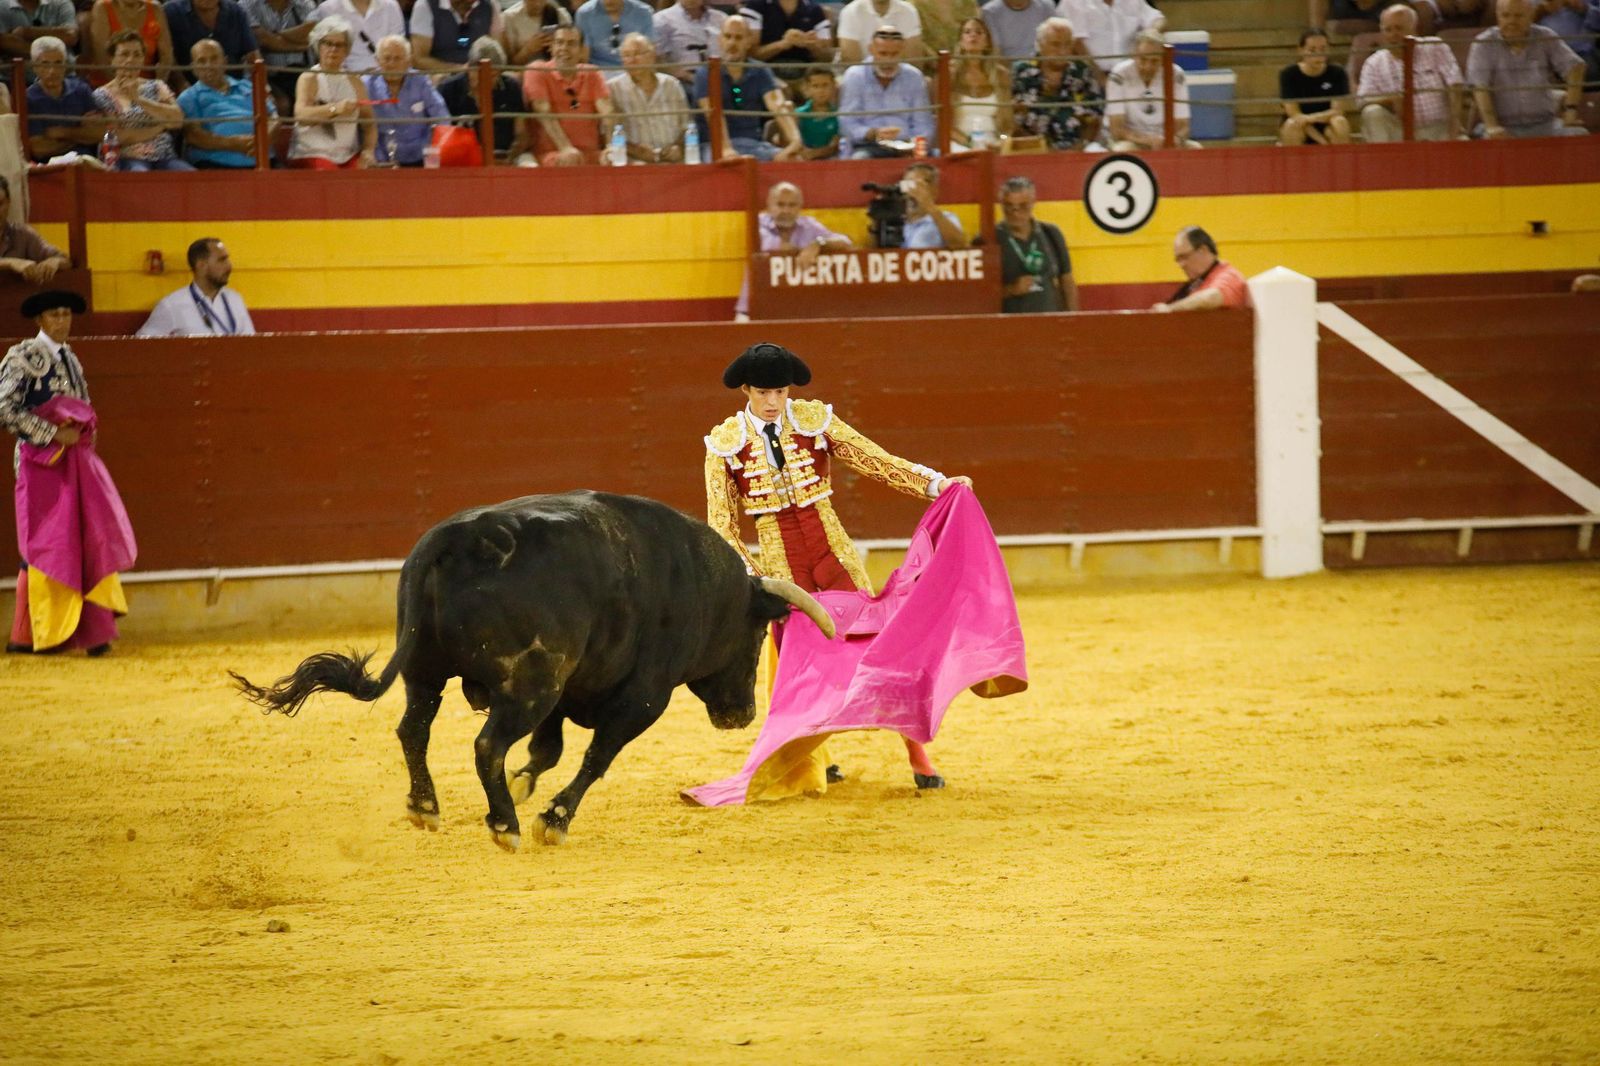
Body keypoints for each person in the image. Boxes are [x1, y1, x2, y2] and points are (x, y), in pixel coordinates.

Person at [703, 342, 973, 789]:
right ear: (746, 390)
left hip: (833, 553)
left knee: (877, 650)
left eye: (781, 392)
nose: (773, 402)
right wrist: (752, 577)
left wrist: (937, 484)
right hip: (782, 567)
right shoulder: (725, 445)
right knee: (801, 668)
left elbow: (875, 460)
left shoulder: (814, 421)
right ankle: (816, 759)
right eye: (764, 393)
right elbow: (722, 523)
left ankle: (918, 756)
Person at [3, 290, 136, 658]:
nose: (62, 320)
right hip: (39, 465)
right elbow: (3, 408)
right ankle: (31, 633)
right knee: (45, 542)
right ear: (39, 320)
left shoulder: (71, 359)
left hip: (74, 464)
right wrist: (52, 433)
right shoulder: (23, 356)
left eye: (66, 313)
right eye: (54, 314)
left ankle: (91, 631)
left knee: (82, 537)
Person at [1468, 0, 1587, 138]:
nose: (1511, 21)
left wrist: (1570, 111)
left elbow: (1576, 67)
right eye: (1505, 15)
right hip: (1503, 125)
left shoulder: (1545, 36)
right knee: (1489, 140)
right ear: (1497, 16)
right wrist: (1492, 126)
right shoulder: (1483, 44)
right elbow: (1480, 87)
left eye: (1518, 16)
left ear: (1531, 16)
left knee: (1579, 135)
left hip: (1545, 123)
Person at [734, 180, 852, 319]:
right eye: (780, 204)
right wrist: (803, 251)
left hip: (796, 313)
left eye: (792, 205)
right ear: (769, 205)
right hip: (753, 312)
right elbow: (775, 248)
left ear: (800, 207)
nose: (786, 210)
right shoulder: (758, 224)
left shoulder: (809, 225)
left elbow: (845, 242)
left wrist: (819, 244)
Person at [693, 15, 796, 161]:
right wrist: (726, 148)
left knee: (793, 159)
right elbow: (713, 114)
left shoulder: (760, 70)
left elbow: (777, 105)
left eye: (738, 38)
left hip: (754, 145)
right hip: (713, 146)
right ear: (719, 40)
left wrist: (795, 142)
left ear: (748, 42)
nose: (732, 43)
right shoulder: (705, 73)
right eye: (727, 36)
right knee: (727, 167)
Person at [1358, 3, 1465, 142]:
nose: (1393, 35)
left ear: (1414, 29)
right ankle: (1385, 162)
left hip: (1439, 128)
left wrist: (1455, 122)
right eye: (1388, 30)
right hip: (1399, 132)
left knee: (1464, 142)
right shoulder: (1374, 62)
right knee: (1372, 112)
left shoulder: (1435, 47)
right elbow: (1362, 100)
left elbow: (1455, 84)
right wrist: (1389, 99)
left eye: (1399, 28)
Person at [93, 29, 195, 171]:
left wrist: (138, 99)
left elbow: (177, 120)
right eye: (124, 54)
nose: (130, 60)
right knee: (140, 174)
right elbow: (119, 137)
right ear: (112, 59)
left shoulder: (157, 86)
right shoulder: (101, 94)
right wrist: (161, 126)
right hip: (127, 158)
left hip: (165, 156)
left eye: (137, 54)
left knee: (190, 176)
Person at [288, 16, 377, 167]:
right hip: (311, 153)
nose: (333, 49)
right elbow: (301, 115)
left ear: (347, 50)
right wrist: (335, 108)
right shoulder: (309, 78)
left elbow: (369, 124)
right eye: (328, 43)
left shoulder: (355, 81)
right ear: (318, 45)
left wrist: (368, 151)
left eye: (339, 45)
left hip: (348, 154)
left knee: (369, 174)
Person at [179, 38, 279, 167]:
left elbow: (274, 119)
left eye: (214, 58)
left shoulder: (249, 86)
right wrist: (236, 143)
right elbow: (194, 136)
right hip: (215, 165)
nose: (209, 65)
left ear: (225, 61)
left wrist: (262, 140)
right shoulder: (189, 97)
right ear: (193, 68)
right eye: (201, 61)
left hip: (265, 161)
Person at [838, 24, 934, 157]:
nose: (888, 60)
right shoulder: (855, 75)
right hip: (868, 144)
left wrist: (913, 148)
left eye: (894, 54)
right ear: (871, 50)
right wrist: (872, 133)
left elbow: (923, 124)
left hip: (906, 144)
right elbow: (846, 122)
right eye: (883, 53)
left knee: (928, 163)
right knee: (859, 158)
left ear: (902, 50)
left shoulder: (914, 76)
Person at [524, 23, 613, 165]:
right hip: (553, 155)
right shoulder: (537, 70)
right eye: (559, 43)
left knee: (617, 160)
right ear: (552, 48)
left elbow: (608, 112)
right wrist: (565, 148)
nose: (564, 48)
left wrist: (611, 146)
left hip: (590, 155)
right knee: (570, 160)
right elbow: (543, 112)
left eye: (571, 44)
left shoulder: (592, 73)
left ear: (581, 50)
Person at [1011, 16, 1102, 149]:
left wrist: (1080, 147)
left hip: (1076, 148)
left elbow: (1094, 119)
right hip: (1031, 148)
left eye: (1067, 44)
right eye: (1056, 44)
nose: (1062, 51)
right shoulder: (1021, 71)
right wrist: (1038, 148)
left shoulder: (1082, 71)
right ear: (1040, 45)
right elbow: (1010, 119)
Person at [439, 35, 533, 163]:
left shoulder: (512, 87)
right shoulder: (448, 89)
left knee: (528, 164)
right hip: (461, 158)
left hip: (505, 156)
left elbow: (522, 134)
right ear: (469, 68)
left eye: (494, 75)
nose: (487, 81)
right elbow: (441, 137)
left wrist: (510, 157)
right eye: (481, 74)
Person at [138, 237, 256, 336]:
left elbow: (251, 344)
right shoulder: (171, 305)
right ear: (201, 265)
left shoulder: (235, 299)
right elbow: (142, 346)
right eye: (222, 260)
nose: (229, 266)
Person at [1106, 30, 1197, 149]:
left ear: (1163, 58)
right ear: (1134, 55)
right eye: (1143, 60)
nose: (1148, 67)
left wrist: (1175, 139)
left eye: (1154, 61)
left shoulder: (1176, 75)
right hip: (1132, 140)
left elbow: (1183, 125)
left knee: (1195, 148)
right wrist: (1148, 141)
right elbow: (1117, 129)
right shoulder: (1118, 75)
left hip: (1167, 140)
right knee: (1122, 149)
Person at [365, 34, 448, 165]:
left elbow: (442, 118)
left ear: (408, 62)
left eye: (397, 59)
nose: (391, 64)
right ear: (377, 61)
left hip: (422, 156)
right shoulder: (367, 85)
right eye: (387, 58)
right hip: (382, 159)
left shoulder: (421, 81)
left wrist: (433, 156)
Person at [606, 33, 689, 163]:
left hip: (672, 161)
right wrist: (635, 150)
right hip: (634, 163)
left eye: (638, 54)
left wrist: (679, 147)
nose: (632, 60)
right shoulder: (612, 89)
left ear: (652, 55)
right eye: (627, 55)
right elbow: (608, 135)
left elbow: (687, 126)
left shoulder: (672, 85)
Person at [998, 175, 1075, 312]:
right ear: (1001, 204)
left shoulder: (1050, 233)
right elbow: (979, 295)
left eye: (1023, 206)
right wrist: (1011, 290)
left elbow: (1066, 280)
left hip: (1049, 321)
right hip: (1010, 326)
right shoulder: (990, 239)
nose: (1015, 213)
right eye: (1009, 206)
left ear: (1033, 203)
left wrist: (1074, 318)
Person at [25, 36, 103, 161]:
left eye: (58, 63)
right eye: (45, 64)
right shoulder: (28, 99)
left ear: (65, 64)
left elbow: (98, 134)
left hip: (87, 162)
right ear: (34, 67)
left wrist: (62, 132)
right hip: (49, 168)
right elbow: (39, 149)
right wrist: (80, 136)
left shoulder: (81, 89)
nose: (52, 71)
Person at [1152, 225, 1250, 312]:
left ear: (1203, 250)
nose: (1181, 265)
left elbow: (1211, 297)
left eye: (1184, 257)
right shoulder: (1197, 282)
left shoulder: (1228, 275)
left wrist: (1170, 309)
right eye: (1178, 259)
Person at [1279, 27, 1351, 145]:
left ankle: (1341, 161)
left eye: (1323, 49)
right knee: (1291, 125)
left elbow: (1337, 110)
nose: (1318, 55)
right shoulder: (1288, 74)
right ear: (1301, 50)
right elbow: (1294, 113)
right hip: (1302, 126)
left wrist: (1311, 118)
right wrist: (1321, 141)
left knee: (1340, 122)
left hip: (1326, 123)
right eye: (1312, 50)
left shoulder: (1338, 72)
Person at [950, 16, 1012, 148]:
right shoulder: (950, 74)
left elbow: (1008, 124)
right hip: (960, 141)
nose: (973, 35)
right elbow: (945, 125)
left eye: (979, 32)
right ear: (961, 41)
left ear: (987, 42)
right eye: (967, 32)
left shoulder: (1001, 74)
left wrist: (1002, 142)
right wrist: (972, 144)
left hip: (993, 142)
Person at [244, 0, 316, 114]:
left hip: (303, 71)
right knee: (281, 104)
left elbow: (313, 32)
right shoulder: (247, 5)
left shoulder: (305, 3)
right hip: (268, 75)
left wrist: (275, 35)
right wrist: (301, 45)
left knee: (318, 101)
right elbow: (261, 39)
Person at [1054, 0, 1164, 74]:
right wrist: (1099, 78)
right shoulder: (1074, 2)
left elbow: (1159, 19)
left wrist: (1151, 33)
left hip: (1130, 76)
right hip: (1089, 78)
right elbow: (1075, 43)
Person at [86, 0, 176, 87]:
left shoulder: (155, 8)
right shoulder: (102, 7)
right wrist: (121, 89)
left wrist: (156, 87)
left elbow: (166, 57)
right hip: (108, 85)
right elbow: (101, 57)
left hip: (147, 86)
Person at [0, 177, 70, 287]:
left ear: (8, 203)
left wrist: (54, 262)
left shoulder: (22, 234)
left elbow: (65, 260)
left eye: (0, 204)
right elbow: (11, 263)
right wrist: (10, 263)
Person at [307, 0, 405, 73]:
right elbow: (329, 52)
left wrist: (380, 71)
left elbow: (398, 48)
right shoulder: (328, 8)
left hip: (386, 74)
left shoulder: (391, 5)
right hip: (345, 75)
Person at [745, 0, 831, 82]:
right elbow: (750, 54)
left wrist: (813, 46)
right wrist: (782, 44)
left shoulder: (815, 9)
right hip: (765, 75)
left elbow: (827, 57)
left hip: (805, 77)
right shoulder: (754, 6)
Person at [164, 0, 261, 71]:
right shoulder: (171, 12)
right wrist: (182, 86)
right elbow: (167, 57)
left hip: (233, 89)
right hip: (187, 91)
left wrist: (262, 88)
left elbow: (253, 55)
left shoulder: (236, 12)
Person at [408, 0, 504, 71]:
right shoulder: (425, 5)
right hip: (440, 73)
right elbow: (419, 59)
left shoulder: (490, 6)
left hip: (481, 72)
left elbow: (497, 53)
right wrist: (458, 69)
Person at [652, 0, 725, 83]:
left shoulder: (721, 18)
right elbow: (658, 59)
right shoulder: (661, 20)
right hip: (681, 81)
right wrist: (687, 76)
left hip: (721, 77)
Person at [899, 160, 968, 247]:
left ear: (934, 190)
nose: (911, 191)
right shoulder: (896, 221)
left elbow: (960, 245)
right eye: (907, 184)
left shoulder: (946, 218)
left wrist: (929, 205)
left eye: (916, 185)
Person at [571, 0, 652, 68]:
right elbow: (584, 58)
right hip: (598, 72)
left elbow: (649, 53)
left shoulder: (643, 11)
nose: (609, 1)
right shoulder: (584, 14)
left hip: (634, 70)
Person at [836, 0, 923, 63]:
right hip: (861, 78)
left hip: (900, 75)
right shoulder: (850, 12)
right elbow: (850, 60)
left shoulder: (909, 11)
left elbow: (914, 60)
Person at [978, 0, 1054, 64]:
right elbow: (996, 53)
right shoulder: (989, 12)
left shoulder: (1046, 6)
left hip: (1042, 67)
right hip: (1008, 71)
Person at [0, 0, 79, 59]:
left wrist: (26, 33)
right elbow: (4, 42)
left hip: (65, 76)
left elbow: (70, 36)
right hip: (15, 77)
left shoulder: (61, 3)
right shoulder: (2, 6)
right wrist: (51, 52)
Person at [792, 64, 840, 159]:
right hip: (803, 159)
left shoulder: (839, 115)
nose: (821, 91)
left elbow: (835, 146)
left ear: (834, 86)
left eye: (825, 85)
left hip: (831, 159)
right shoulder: (798, 114)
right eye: (815, 86)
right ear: (807, 89)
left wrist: (815, 153)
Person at [503, 0, 570, 66]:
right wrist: (528, 49)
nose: (537, 4)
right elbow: (510, 64)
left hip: (554, 69)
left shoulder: (559, 15)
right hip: (523, 70)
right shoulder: (510, 18)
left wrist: (557, 44)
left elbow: (572, 52)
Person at [910, 0, 978, 58]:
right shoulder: (914, 5)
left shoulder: (967, 2)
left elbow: (976, 32)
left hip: (965, 65)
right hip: (928, 68)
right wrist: (940, 63)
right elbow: (916, 41)